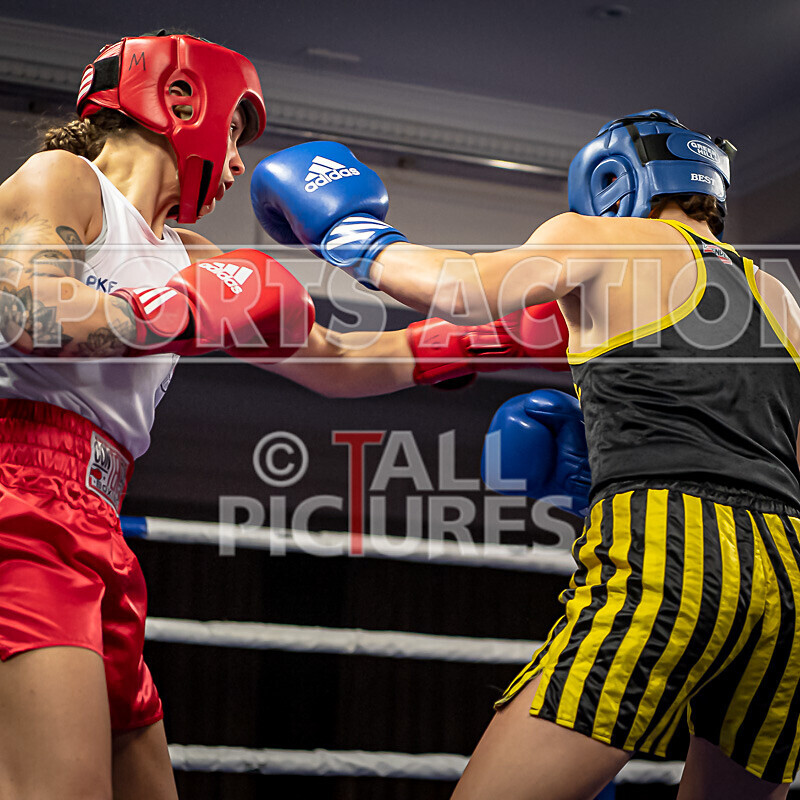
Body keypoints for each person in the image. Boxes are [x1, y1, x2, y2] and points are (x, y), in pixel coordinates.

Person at [0, 29, 581, 800]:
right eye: (236, 129)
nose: (238, 161)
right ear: (179, 99)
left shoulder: (195, 255)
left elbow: (336, 364)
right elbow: (25, 309)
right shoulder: (64, 181)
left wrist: (490, 338)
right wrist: (170, 310)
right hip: (20, 495)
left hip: (96, 517)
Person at [249, 109, 800, 799]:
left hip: (671, 552)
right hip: (789, 578)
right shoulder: (777, 297)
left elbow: (460, 289)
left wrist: (348, 233)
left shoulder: (597, 238)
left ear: (609, 179)